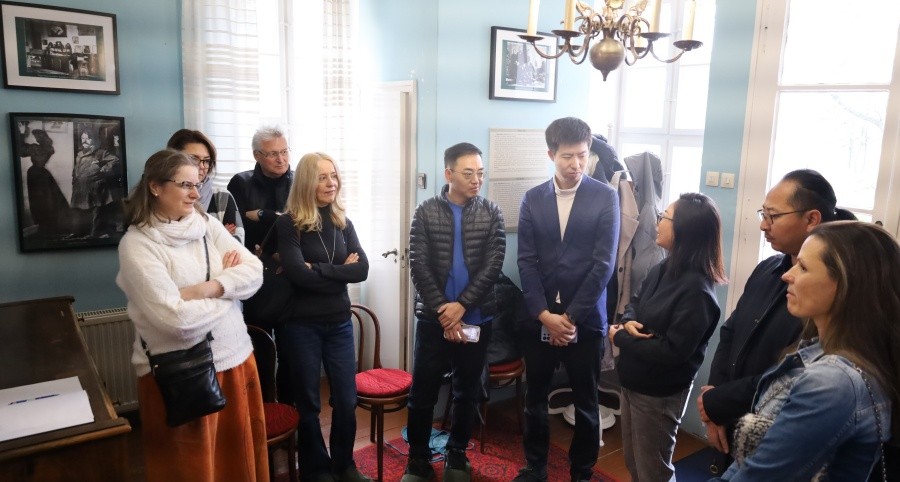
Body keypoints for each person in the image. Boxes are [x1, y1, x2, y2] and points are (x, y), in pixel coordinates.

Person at [116, 149, 267, 481]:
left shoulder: (207, 225)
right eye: (185, 185)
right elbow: (177, 321)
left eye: (197, 184)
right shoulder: (137, 245)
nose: (197, 194)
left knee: (239, 464)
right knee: (192, 470)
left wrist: (206, 289)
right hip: (182, 375)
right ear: (155, 186)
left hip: (236, 360)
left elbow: (255, 271)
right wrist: (229, 289)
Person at [712, 221, 899, 480]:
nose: (787, 275)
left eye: (803, 267)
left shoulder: (832, 382)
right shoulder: (819, 352)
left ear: (846, 285)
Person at [698, 169, 858, 463]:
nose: (763, 225)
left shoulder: (830, 296)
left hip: (779, 430)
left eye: (773, 216)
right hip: (731, 417)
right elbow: (731, 331)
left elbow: (791, 375)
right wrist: (715, 401)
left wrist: (718, 401)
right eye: (763, 214)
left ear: (811, 219)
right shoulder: (768, 268)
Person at [515, 117, 620, 482]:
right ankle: (536, 466)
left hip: (585, 319)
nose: (576, 164)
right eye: (567, 157)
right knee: (535, 399)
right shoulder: (533, 199)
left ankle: (582, 472)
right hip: (540, 316)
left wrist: (570, 317)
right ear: (551, 155)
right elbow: (526, 261)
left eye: (582, 155)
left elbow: (604, 265)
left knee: (587, 402)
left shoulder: (605, 197)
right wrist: (544, 314)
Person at [401, 142, 506, 482]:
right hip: (434, 320)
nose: (477, 180)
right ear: (449, 174)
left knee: (467, 390)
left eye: (480, 173)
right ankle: (417, 457)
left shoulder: (491, 212)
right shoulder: (426, 211)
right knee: (423, 392)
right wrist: (443, 310)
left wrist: (461, 306)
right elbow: (418, 266)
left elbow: (493, 266)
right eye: (468, 173)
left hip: (477, 318)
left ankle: (457, 453)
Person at [608, 192, 727, 482]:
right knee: (635, 464)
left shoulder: (697, 291)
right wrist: (628, 321)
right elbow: (637, 300)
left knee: (654, 472)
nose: (657, 222)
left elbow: (672, 351)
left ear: (686, 230)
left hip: (658, 393)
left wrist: (620, 338)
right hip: (633, 380)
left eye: (665, 217)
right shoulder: (665, 266)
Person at [274, 152, 370, 482]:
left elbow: (362, 270)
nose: (332, 183)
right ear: (306, 182)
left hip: (339, 323)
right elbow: (297, 276)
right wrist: (340, 272)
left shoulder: (343, 222)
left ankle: (344, 465)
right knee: (309, 403)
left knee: (346, 398)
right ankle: (316, 469)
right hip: (301, 326)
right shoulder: (288, 223)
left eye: (334, 175)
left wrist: (319, 269)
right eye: (322, 177)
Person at [167, 128, 246, 245]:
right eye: (193, 159)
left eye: (206, 161)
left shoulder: (221, 197)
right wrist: (216, 237)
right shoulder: (164, 196)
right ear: (172, 159)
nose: (202, 166)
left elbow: (236, 247)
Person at [227, 125, 293, 251]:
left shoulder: (299, 182)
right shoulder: (240, 183)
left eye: (284, 152)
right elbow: (237, 229)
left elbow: (301, 225)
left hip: (294, 254)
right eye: (273, 154)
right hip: (252, 254)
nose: (281, 159)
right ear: (256, 155)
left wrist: (263, 214)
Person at [15, 122, 70, 239]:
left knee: (42, 201)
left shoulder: (37, 148)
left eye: (37, 137)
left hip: (36, 174)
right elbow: (22, 150)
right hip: (42, 175)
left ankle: (47, 227)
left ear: (41, 137)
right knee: (48, 200)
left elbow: (21, 150)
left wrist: (22, 133)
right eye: (35, 137)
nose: (36, 139)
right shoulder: (48, 148)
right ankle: (49, 226)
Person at [71, 125, 123, 238]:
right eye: (83, 138)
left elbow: (115, 160)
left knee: (96, 212)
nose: (85, 141)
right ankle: (81, 233)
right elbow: (76, 169)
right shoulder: (79, 155)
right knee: (81, 211)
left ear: (94, 140)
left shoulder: (100, 153)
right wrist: (74, 178)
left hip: (95, 189)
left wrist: (103, 169)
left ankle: (94, 235)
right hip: (81, 189)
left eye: (88, 138)